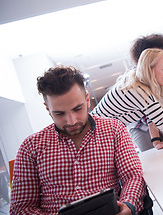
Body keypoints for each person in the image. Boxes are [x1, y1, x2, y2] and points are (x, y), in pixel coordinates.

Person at [10, 66, 146, 215]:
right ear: (48, 109)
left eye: (77, 109)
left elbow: (132, 175)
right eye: (59, 113)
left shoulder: (113, 129)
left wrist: (128, 204)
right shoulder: (31, 147)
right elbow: (21, 208)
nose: (71, 121)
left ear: (87, 99)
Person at [126, 34, 163, 151]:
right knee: (150, 152)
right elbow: (148, 113)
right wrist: (156, 139)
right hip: (139, 125)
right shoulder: (134, 77)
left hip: (159, 117)